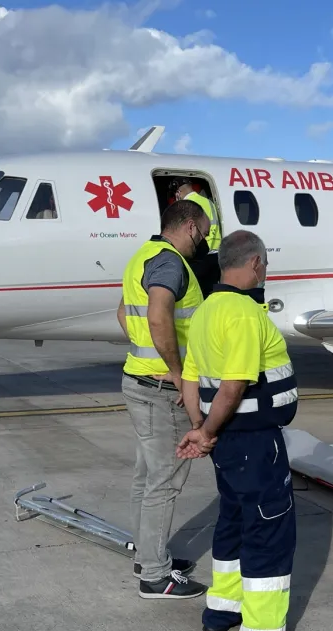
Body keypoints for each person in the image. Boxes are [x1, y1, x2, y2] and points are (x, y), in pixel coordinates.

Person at [176, 230, 312, 631]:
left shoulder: (204, 312)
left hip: (229, 446)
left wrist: (200, 427)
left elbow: (191, 379)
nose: (266, 272)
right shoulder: (244, 313)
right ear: (254, 263)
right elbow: (234, 387)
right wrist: (209, 431)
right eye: (266, 265)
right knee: (268, 530)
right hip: (255, 441)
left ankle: (222, 609)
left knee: (233, 520)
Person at [117, 199, 211, 600]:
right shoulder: (171, 263)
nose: (204, 243)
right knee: (165, 482)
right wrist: (176, 370)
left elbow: (124, 313)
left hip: (137, 379)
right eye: (204, 234)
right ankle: (155, 576)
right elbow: (157, 316)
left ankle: (147, 554)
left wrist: (146, 351)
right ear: (189, 227)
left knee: (147, 476)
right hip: (161, 391)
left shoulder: (144, 254)